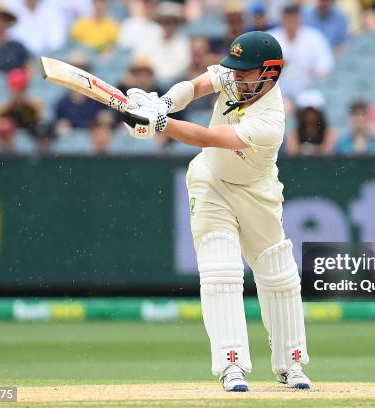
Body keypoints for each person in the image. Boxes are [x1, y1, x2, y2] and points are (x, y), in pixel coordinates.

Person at [119, 31, 311, 392]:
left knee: (279, 277)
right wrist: (161, 104)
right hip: (211, 182)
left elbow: (209, 138)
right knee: (220, 271)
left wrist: (159, 125)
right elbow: (192, 88)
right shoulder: (233, 75)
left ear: (270, 74)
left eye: (245, 73)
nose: (236, 77)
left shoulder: (271, 122)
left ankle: (292, 364)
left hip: (258, 192)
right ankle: (232, 366)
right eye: (234, 70)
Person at [268, 5, 334, 102]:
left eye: (293, 18)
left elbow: (325, 69)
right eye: (288, 18)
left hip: (308, 91)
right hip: (276, 92)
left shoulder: (314, 37)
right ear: (282, 19)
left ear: (300, 19)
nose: (290, 22)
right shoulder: (270, 39)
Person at [285, 89, 337, 156]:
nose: (310, 116)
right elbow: (291, 150)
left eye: (313, 112)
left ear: (319, 113)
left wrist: (309, 149)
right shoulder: (295, 132)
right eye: (306, 112)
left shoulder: (329, 131)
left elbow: (329, 149)